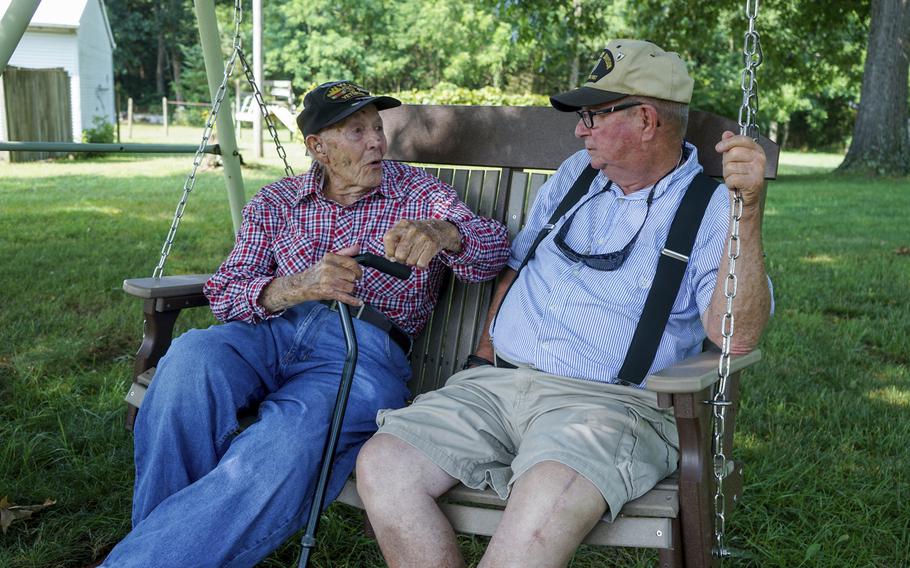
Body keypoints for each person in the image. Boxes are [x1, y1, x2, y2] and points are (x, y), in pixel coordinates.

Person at [356, 39, 773, 567]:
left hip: (609, 407)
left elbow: (738, 336)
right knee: (384, 465)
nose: (580, 130)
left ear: (646, 119)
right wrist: (485, 354)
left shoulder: (711, 210)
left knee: (536, 519)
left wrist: (749, 213)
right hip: (495, 386)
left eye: (594, 116)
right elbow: (518, 265)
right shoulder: (577, 175)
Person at [101, 80, 510, 567]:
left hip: (360, 352)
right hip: (267, 333)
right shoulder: (276, 202)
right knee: (188, 364)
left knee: (283, 446)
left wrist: (445, 234)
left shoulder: (420, 193)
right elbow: (227, 292)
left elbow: (493, 253)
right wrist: (293, 287)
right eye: (356, 131)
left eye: (377, 128)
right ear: (317, 147)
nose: (377, 141)